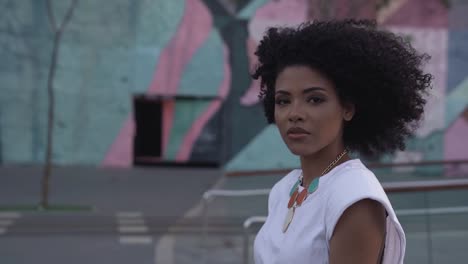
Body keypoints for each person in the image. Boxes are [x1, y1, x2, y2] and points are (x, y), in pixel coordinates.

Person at [251, 19, 432, 264]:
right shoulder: (285, 188)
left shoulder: (354, 198)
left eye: (314, 99)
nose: (295, 113)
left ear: (347, 108)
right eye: (283, 100)